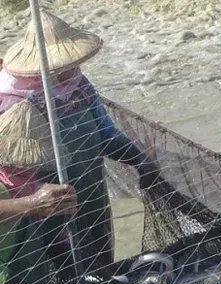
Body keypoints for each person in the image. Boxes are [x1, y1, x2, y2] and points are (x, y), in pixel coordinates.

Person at [0, 10, 161, 270]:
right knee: (61, 273)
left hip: (90, 190)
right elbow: (11, 173)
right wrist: (36, 202)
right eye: (61, 65)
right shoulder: (11, 102)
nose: (72, 70)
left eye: (72, 62)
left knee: (100, 264)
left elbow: (105, 133)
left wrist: (140, 160)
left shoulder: (79, 86)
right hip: (44, 205)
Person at [0, 100, 78, 284]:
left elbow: (46, 244)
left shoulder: (37, 187)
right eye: (19, 165)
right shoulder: (18, 193)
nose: (28, 172)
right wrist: (31, 204)